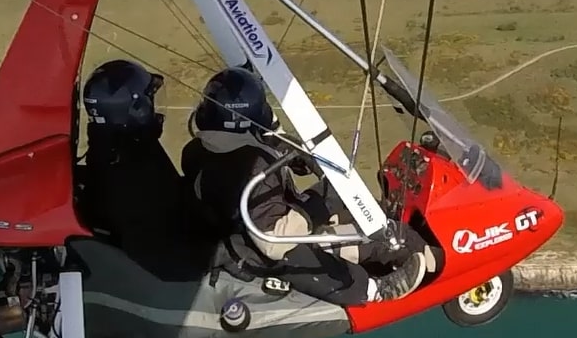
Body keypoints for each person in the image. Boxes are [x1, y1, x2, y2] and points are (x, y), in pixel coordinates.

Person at [180, 67, 428, 305]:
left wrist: (290, 152)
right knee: (394, 237)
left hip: (239, 230)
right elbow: (274, 242)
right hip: (269, 246)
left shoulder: (198, 150)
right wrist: (325, 197)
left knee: (371, 213)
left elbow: (241, 151)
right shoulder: (251, 168)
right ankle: (378, 290)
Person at [75, 59, 206, 275]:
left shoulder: (115, 150)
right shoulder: (135, 171)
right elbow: (162, 251)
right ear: (136, 108)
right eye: (151, 99)